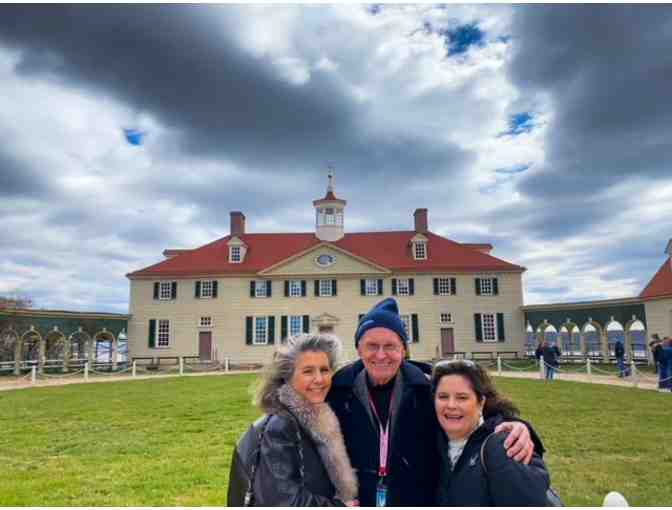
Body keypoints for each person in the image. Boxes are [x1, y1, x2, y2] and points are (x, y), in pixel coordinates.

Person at [326, 298, 538, 507]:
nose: (381, 355)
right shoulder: (337, 390)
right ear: (359, 349)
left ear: (403, 350)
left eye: (390, 346)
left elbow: (480, 408)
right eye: (372, 346)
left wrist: (516, 425)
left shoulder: (428, 384)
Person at [227, 334, 358, 506]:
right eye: (308, 371)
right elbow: (284, 501)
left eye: (324, 370)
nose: (319, 379)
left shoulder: (317, 422)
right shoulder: (279, 428)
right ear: (287, 377)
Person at [432, 359, 551, 506]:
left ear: (481, 402)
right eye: (443, 397)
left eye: (462, 397)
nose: (451, 405)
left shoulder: (504, 446)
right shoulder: (432, 444)